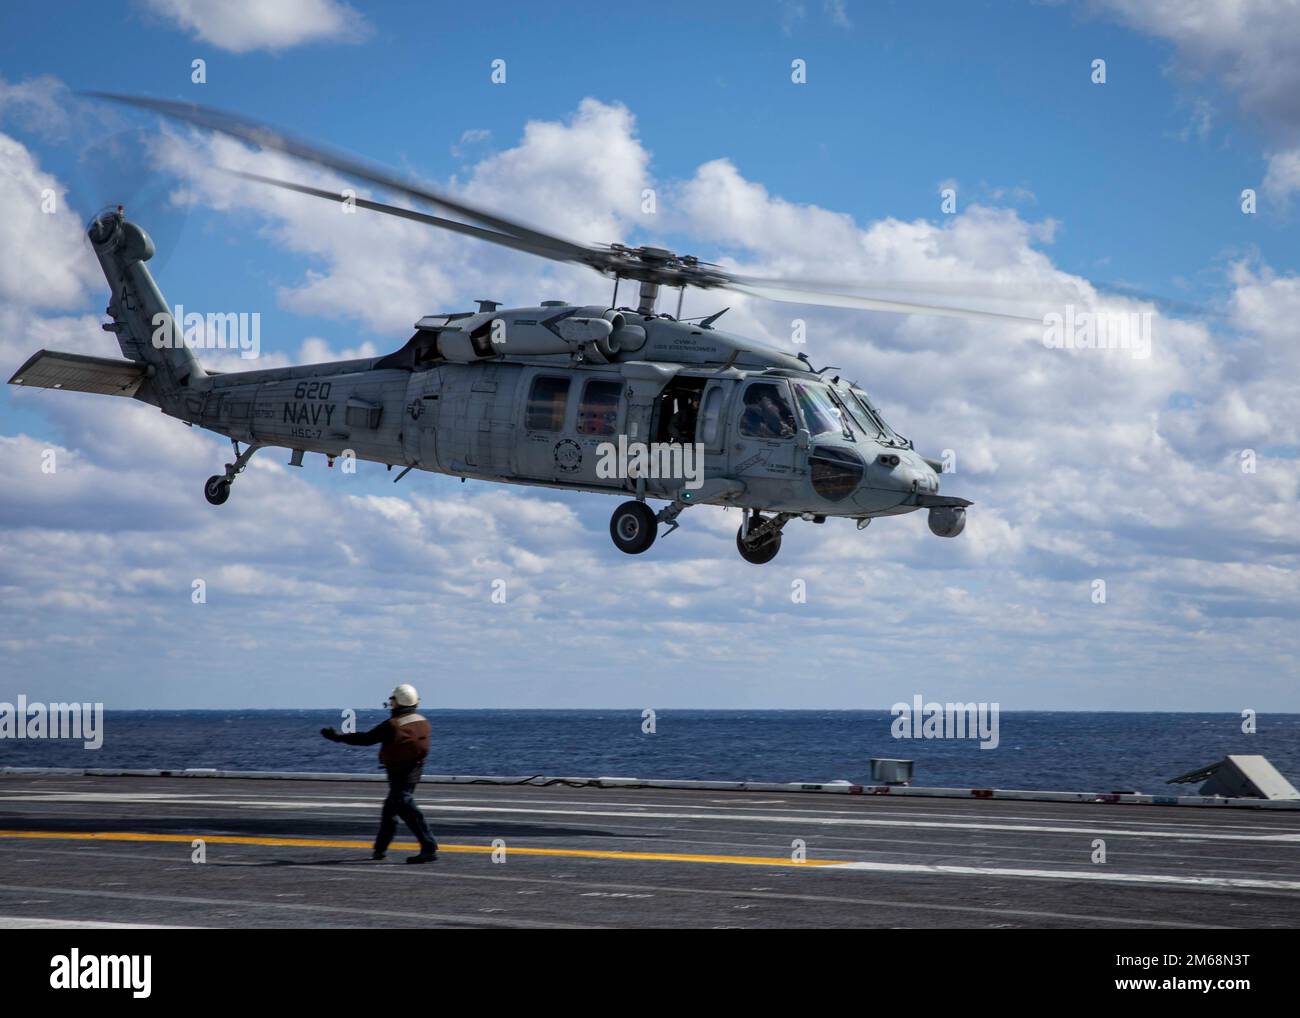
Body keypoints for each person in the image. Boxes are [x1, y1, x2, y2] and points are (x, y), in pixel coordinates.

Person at [321, 684, 438, 863]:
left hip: (400, 771)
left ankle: (428, 846)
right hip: (415, 769)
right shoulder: (422, 721)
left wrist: (338, 737)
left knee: (404, 804)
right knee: (391, 808)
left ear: (396, 702)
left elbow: (366, 739)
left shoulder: (393, 725)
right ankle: (380, 849)